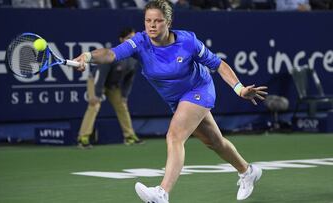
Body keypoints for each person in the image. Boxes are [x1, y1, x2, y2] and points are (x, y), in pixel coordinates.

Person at [73, 0, 268, 201]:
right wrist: (87, 57)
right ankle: (247, 171)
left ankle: (162, 192)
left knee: (174, 136)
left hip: (199, 89)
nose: (152, 25)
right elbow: (111, 53)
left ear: (168, 22)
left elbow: (218, 64)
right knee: (214, 142)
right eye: (148, 20)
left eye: (158, 21)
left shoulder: (188, 41)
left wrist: (240, 89)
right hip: (177, 100)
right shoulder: (140, 42)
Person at [77, 27, 144, 148]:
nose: (131, 41)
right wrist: (96, 94)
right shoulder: (113, 55)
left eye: (133, 38)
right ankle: (83, 138)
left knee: (122, 106)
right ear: (121, 40)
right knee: (94, 105)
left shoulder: (134, 59)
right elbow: (100, 74)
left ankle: (129, 136)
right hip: (97, 81)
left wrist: (124, 95)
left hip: (113, 85)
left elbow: (130, 78)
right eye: (128, 38)